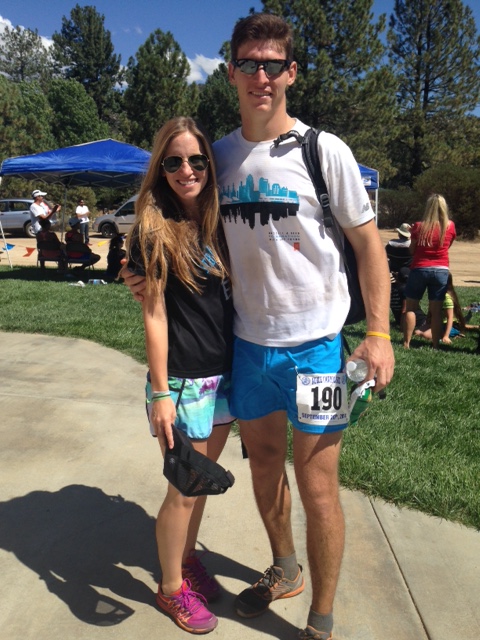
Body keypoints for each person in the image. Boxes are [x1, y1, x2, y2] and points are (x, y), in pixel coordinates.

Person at [122, 14, 394, 640]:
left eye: (273, 65)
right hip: (247, 349)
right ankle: (285, 567)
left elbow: (369, 246)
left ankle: (321, 620)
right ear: (232, 73)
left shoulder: (324, 151)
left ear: (291, 73)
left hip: (318, 350)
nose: (261, 76)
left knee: (319, 488)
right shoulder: (215, 157)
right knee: (265, 467)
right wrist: (141, 272)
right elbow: (176, 217)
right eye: (249, 63)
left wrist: (378, 334)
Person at [126, 117, 234, 635]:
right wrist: (161, 392)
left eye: (196, 160)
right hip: (184, 383)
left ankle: (186, 561)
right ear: (160, 168)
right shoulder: (152, 230)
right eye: (173, 161)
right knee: (184, 489)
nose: (186, 170)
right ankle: (171, 589)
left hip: (223, 378)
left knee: (201, 485)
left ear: (210, 164)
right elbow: (154, 314)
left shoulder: (220, 223)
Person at [403, 194, 456, 349]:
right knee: (437, 311)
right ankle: (435, 344)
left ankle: (406, 343)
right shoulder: (450, 226)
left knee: (411, 307)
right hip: (441, 270)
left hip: (419, 268)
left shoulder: (419, 226)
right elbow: (447, 246)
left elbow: (411, 251)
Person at [414, 272, 467, 344]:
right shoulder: (435, 294)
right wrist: (428, 322)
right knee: (417, 332)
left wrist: (446, 336)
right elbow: (431, 310)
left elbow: (450, 318)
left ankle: (454, 333)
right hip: (439, 323)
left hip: (450, 326)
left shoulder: (446, 297)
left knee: (426, 335)